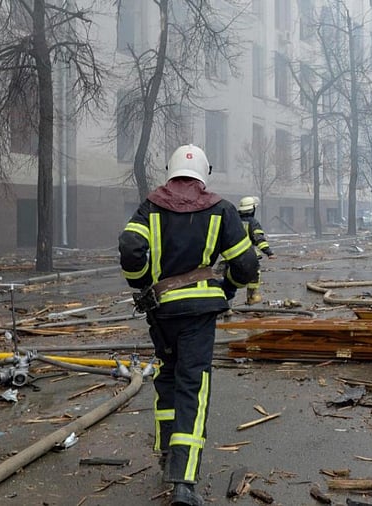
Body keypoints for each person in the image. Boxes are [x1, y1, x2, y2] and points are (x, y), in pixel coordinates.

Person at [118, 144, 258, 506]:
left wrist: (142, 283)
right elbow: (247, 266)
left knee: (167, 377)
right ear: (204, 173)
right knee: (193, 387)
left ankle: (167, 452)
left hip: (161, 313)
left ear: (171, 170)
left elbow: (131, 247)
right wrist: (225, 290)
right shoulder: (221, 209)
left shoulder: (151, 205)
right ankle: (184, 479)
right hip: (198, 316)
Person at [237, 196, 276, 305]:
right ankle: (251, 297)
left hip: (232, 255)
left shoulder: (234, 220)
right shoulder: (253, 222)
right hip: (249, 255)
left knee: (230, 280)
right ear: (253, 209)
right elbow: (259, 238)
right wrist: (269, 252)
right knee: (254, 275)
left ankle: (227, 306)